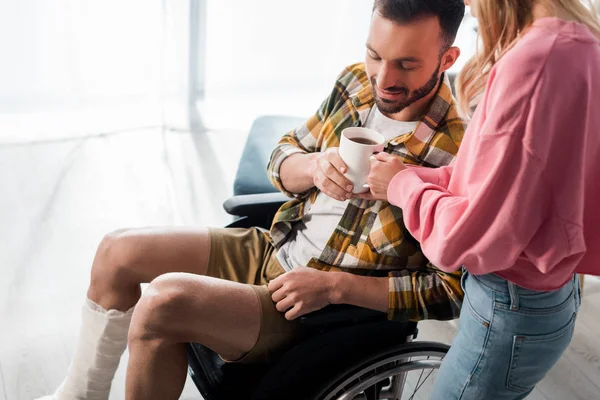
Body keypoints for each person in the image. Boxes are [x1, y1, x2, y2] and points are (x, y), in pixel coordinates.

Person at [38, 1, 467, 399]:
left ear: (447, 59)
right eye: (375, 55)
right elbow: (282, 154)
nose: (384, 78)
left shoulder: (461, 149)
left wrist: (334, 287)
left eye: (407, 64)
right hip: (275, 246)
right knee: (117, 251)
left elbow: (451, 291)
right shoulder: (356, 81)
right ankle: (80, 393)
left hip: (321, 313)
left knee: (162, 304)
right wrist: (314, 166)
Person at [364, 0, 600, 398]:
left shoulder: (535, 64)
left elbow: (470, 237)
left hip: (508, 303)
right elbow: (512, 186)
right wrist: (414, 176)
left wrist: (404, 188)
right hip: (550, 292)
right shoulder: (581, 42)